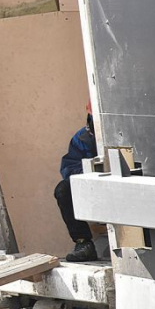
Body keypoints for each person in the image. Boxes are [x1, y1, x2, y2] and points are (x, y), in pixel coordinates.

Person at [54, 102, 98, 262]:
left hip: (125, 188)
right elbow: (68, 169)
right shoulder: (82, 139)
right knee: (63, 190)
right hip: (94, 188)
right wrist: (92, 171)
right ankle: (83, 243)